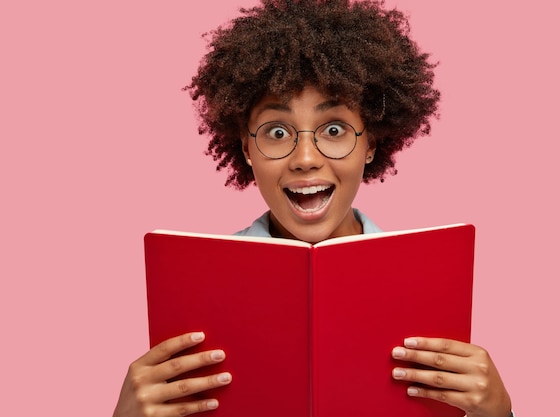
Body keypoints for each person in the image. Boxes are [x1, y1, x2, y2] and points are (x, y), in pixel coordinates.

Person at [113, 1, 513, 416]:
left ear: (370, 144)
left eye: (334, 130)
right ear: (247, 148)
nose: (305, 157)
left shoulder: (432, 285)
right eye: (277, 131)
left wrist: (498, 413)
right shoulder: (188, 287)